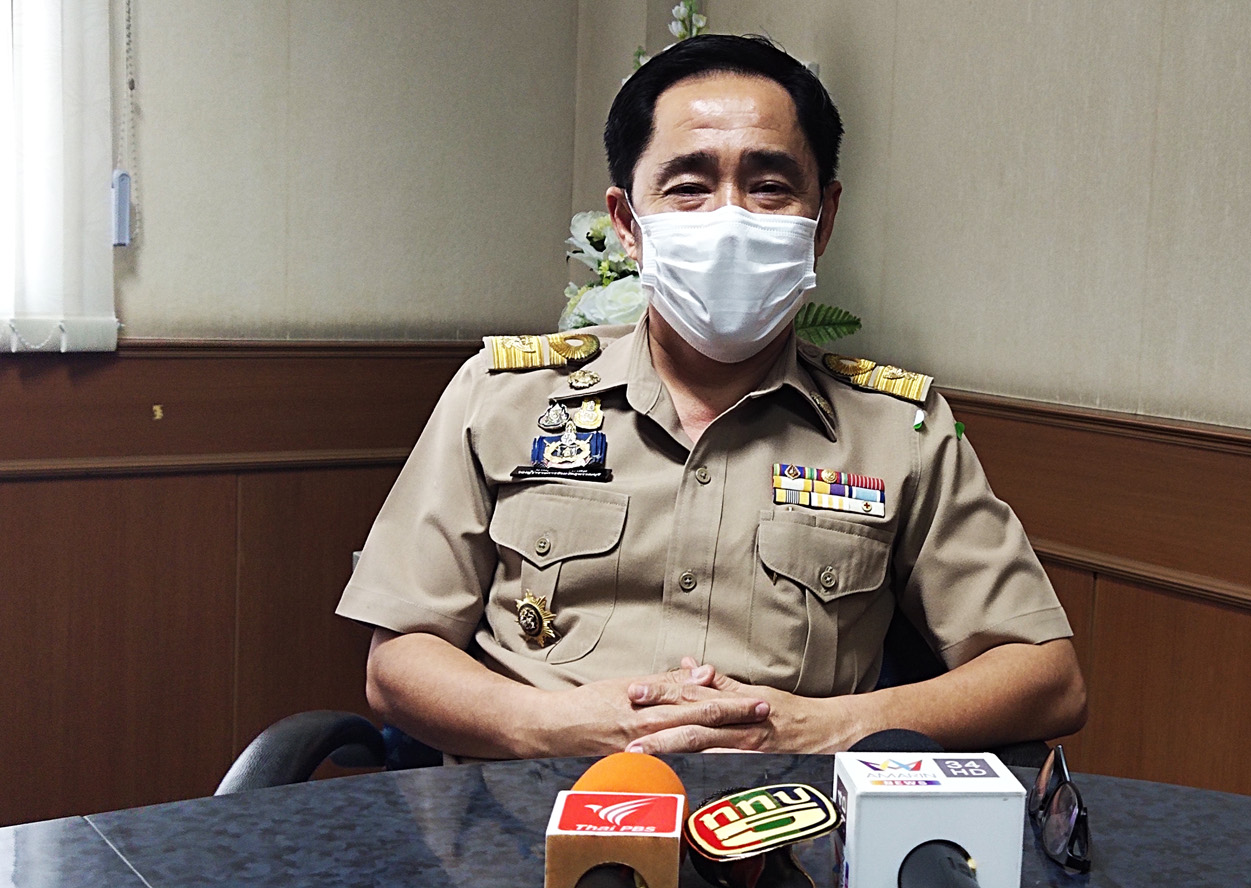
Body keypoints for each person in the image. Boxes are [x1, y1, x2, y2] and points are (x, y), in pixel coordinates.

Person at [336, 34, 1086, 761]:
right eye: (688, 187)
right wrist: (557, 724)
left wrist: (818, 727)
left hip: (788, 818)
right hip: (535, 810)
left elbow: (1046, 679)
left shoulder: (898, 431)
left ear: (822, 220)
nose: (730, 219)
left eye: (769, 186)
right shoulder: (503, 397)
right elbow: (400, 660)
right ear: (627, 224)